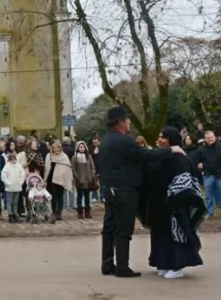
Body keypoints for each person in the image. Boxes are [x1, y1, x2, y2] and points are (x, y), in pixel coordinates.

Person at [98, 106, 182, 278]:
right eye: (127, 119)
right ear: (120, 122)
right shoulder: (124, 141)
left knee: (109, 227)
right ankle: (122, 266)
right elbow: (145, 155)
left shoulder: (106, 140)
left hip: (110, 190)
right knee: (123, 229)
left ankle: (107, 264)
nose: (129, 122)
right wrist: (171, 150)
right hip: (125, 190)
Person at [144, 126, 204, 279]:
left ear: (170, 139)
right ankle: (164, 262)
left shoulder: (180, 157)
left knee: (175, 233)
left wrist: (175, 199)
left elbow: (184, 181)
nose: (159, 140)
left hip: (173, 203)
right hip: (159, 203)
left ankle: (178, 265)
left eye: (162, 137)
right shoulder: (161, 155)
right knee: (160, 233)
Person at [197, 131, 221, 221]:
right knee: (208, 195)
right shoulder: (202, 149)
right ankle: (210, 213)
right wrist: (201, 169)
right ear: (205, 139)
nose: (210, 139)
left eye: (211, 137)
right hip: (208, 175)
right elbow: (199, 162)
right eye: (208, 138)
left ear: (214, 137)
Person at [44, 141, 73, 221]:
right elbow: (46, 168)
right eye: (54, 148)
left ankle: (59, 212)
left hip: (61, 179)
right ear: (52, 149)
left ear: (60, 148)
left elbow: (68, 169)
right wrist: (45, 179)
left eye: (58, 147)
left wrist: (65, 176)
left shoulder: (64, 156)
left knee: (60, 196)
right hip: (51, 179)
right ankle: (53, 212)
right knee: (53, 196)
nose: (56, 149)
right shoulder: (48, 156)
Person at [72, 141, 97, 219]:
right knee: (79, 197)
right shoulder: (75, 157)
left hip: (88, 180)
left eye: (83, 147)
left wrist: (92, 175)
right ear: (77, 148)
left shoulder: (88, 156)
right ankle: (80, 213)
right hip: (80, 181)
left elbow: (92, 167)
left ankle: (87, 213)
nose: (82, 148)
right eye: (80, 147)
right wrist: (78, 178)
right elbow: (73, 169)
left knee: (87, 197)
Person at [1, 152, 25, 223]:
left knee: (15, 202)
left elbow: (22, 174)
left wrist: (20, 182)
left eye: (15, 159)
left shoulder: (19, 166)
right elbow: (3, 176)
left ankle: (15, 214)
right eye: (12, 159)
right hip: (10, 188)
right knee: (9, 202)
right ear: (9, 160)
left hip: (17, 187)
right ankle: (10, 215)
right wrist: (8, 183)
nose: (13, 161)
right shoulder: (7, 166)